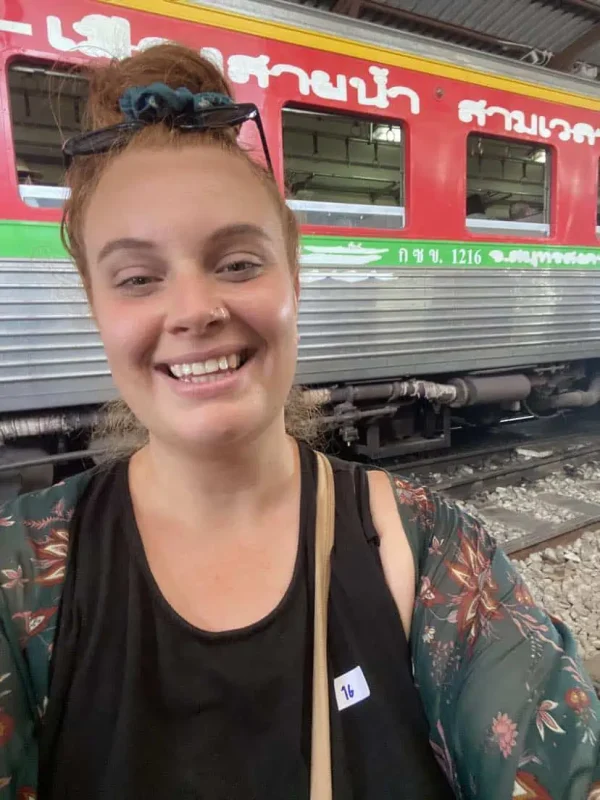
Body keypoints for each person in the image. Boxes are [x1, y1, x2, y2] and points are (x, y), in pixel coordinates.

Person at [0, 44, 598, 799]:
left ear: (295, 277)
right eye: (139, 278)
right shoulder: (16, 583)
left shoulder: (432, 551)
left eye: (239, 263)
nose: (194, 311)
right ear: (95, 306)